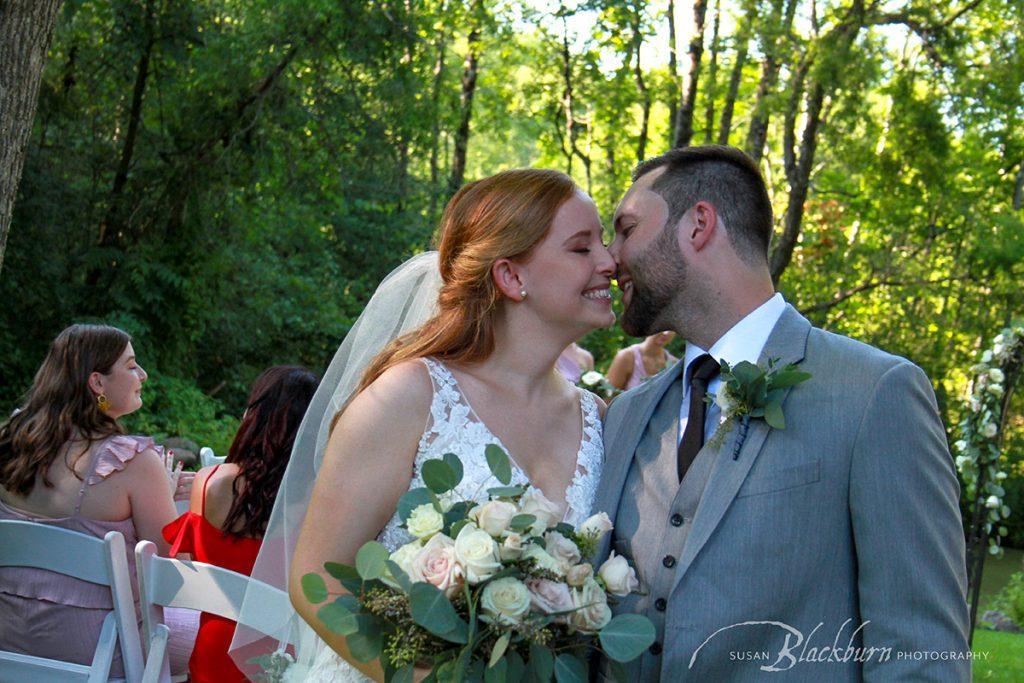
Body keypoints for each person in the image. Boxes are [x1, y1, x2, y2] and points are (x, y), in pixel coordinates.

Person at [594, 145, 970, 681]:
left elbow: (921, 652)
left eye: (626, 229)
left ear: (698, 224)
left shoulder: (875, 394)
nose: (609, 258)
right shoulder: (625, 414)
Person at [280, 168, 615, 682]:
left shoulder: (601, 419)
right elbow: (314, 579)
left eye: (604, 244)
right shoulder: (410, 398)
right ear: (512, 277)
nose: (610, 262)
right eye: (581, 248)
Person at [0, 324, 198, 677]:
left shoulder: (9, 441)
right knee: (223, 633)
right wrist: (164, 496)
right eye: (131, 365)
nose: (143, 375)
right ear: (97, 383)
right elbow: (174, 577)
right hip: (98, 652)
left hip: (9, 638)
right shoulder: (132, 461)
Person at [163, 365, 318, 682]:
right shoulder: (317, 496)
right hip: (287, 660)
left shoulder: (207, 484)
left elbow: (188, 569)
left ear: (253, 414)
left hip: (214, 656)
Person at [606, 331, 677, 390]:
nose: (666, 333)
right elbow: (609, 396)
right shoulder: (627, 357)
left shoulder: (675, 364)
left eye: (670, 328)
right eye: (662, 327)